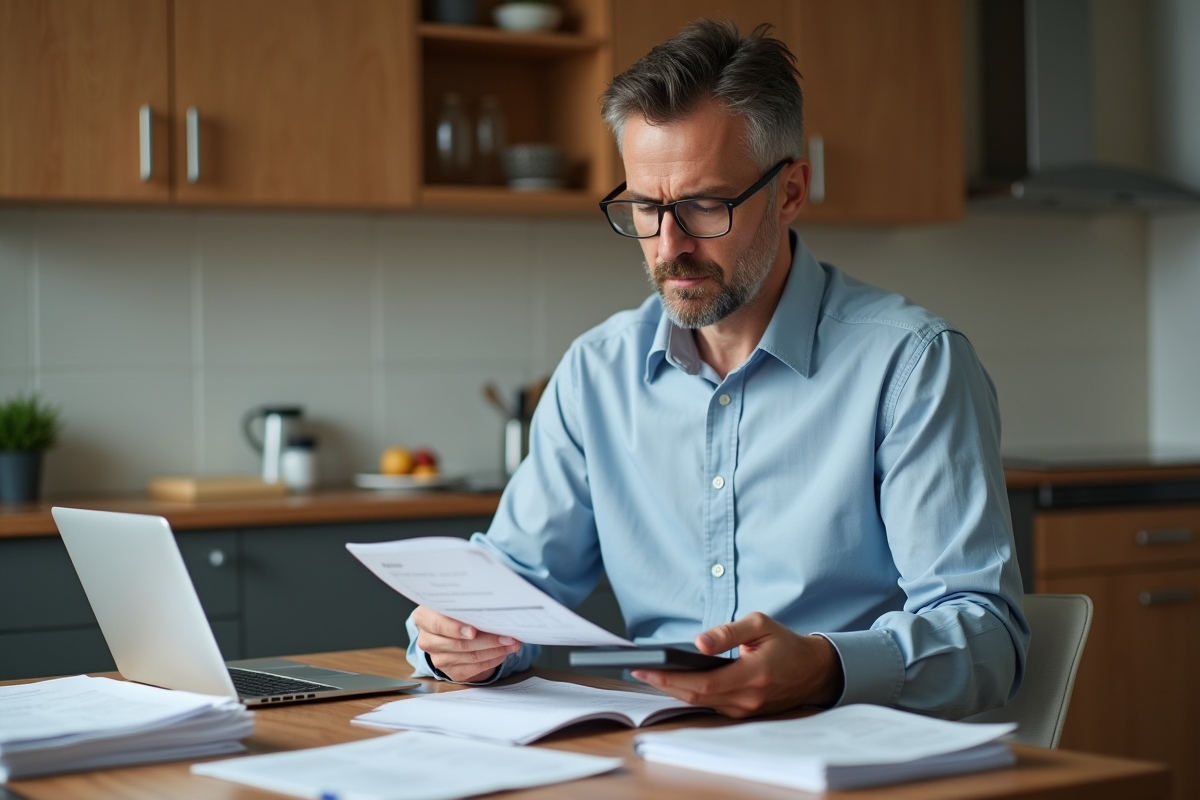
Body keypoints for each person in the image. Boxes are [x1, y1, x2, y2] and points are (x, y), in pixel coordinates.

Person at [406, 19, 1029, 719]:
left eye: (705, 206)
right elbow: (509, 588)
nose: (670, 245)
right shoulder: (596, 374)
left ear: (791, 191)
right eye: (646, 206)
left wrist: (828, 668)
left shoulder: (912, 366)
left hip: (851, 759)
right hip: (659, 756)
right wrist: (453, 638)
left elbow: (988, 639)